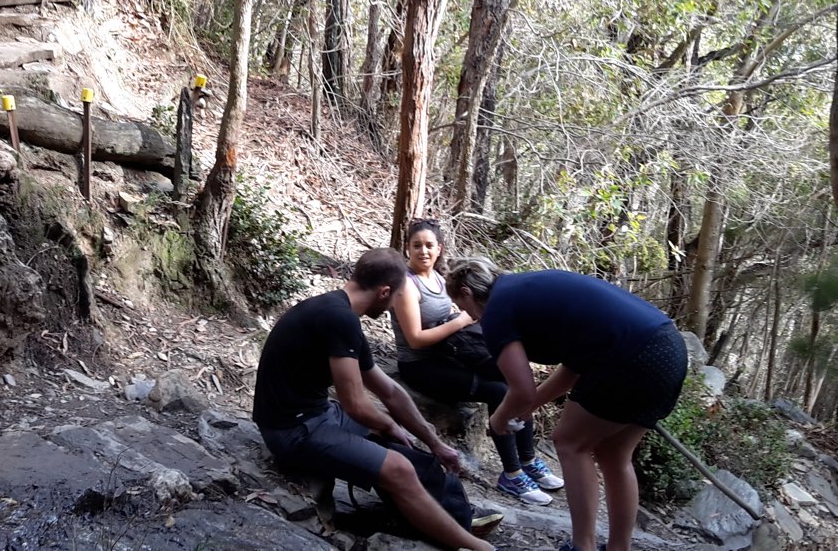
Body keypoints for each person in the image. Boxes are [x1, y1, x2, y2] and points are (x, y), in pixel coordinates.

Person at [253, 248, 503, 551]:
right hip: (293, 430)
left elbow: (389, 390)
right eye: (395, 297)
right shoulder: (338, 318)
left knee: (405, 449)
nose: (393, 306)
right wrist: (390, 425)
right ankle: (474, 547)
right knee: (398, 467)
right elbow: (355, 404)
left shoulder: (342, 313)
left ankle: (452, 515)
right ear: (384, 291)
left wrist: (433, 440)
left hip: (319, 415)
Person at [445, 257, 688, 551]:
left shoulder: (497, 310)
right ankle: (618, 548)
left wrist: (499, 421)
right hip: (668, 348)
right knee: (614, 455)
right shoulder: (527, 289)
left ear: (467, 293)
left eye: (463, 308)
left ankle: (582, 547)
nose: (469, 316)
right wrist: (528, 407)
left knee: (570, 443)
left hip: (632, 357)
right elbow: (572, 369)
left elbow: (521, 389)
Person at [390, 219, 564, 506]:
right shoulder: (405, 285)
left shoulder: (439, 277)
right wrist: (460, 320)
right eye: (416, 245)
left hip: (452, 353)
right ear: (407, 248)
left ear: (439, 248)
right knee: (499, 392)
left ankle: (529, 459)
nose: (423, 251)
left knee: (515, 379)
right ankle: (511, 473)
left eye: (429, 245)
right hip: (422, 366)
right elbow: (416, 339)